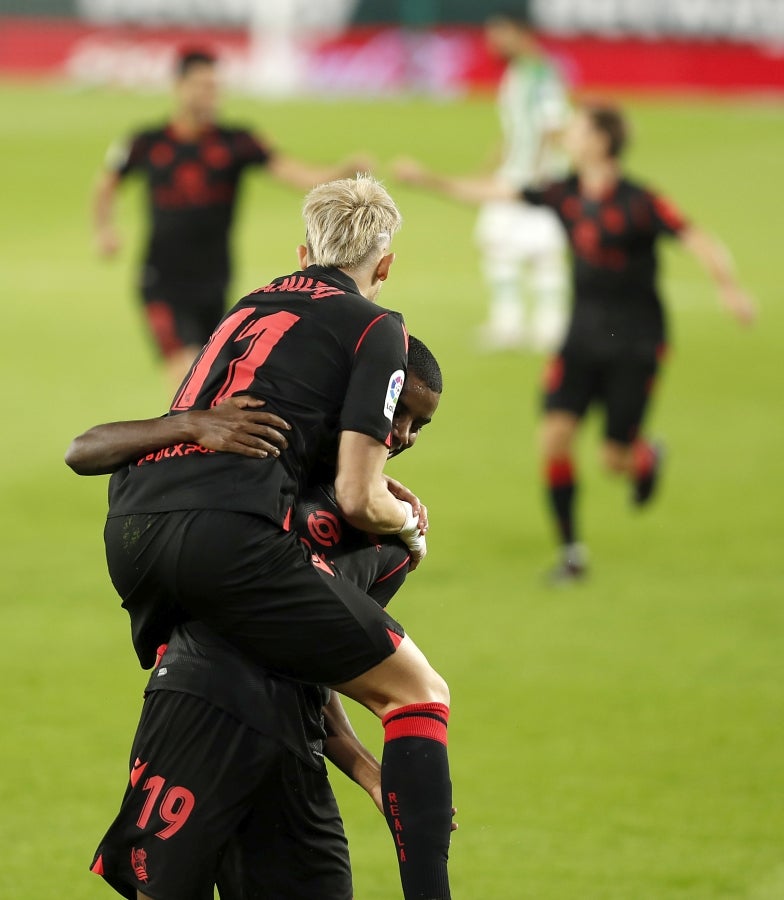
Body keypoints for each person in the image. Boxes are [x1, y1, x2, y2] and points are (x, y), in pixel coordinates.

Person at [91, 175, 453, 899]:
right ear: (383, 266)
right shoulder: (379, 329)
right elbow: (358, 492)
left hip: (133, 529)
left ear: (303, 250)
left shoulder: (251, 306)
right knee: (419, 691)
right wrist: (406, 524)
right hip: (224, 547)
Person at [394, 101, 756, 582]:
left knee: (614, 459)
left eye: (579, 128)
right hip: (582, 338)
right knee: (554, 437)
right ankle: (571, 554)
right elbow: (496, 191)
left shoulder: (639, 201)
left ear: (602, 141)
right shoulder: (563, 193)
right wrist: (430, 180)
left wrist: (729, 288)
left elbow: (696, 238)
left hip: (637, 342)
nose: (568, 133)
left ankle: (645, 457)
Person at [93, 47, 368, 392]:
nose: (211, 95)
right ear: (179, 86)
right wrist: (104, 231)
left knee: (209, 378)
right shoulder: (146, 142)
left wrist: (342, 173)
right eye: (202, 86)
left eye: (215, 87)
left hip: (215, 277)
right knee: (186, 374)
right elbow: (107, 184)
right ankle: (185, 440)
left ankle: (195, 439)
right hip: (162, 279)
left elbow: (294, 174)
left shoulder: (238, 142)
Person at [474, 7, 570, 352]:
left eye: (497, 31)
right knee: (503, 242)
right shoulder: (519, 72)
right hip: (517, 173)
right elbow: (518, 131)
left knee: (528, 248)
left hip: (534, 178)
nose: (491, 40)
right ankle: (526, 324)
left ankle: (535, 325)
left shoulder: (541, 74)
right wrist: (489, 168)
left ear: (518, 32)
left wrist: (540, 175)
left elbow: (554, 126)